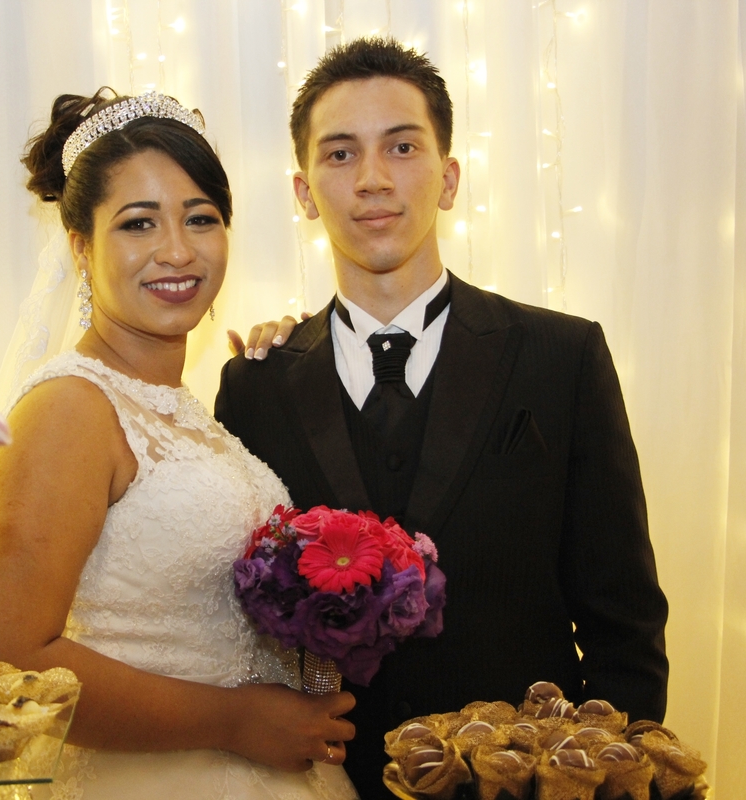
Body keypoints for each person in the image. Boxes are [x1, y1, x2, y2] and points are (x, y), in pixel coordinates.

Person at [215, 38, 670, 799]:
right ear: (303, 192)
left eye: (401, 146)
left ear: (449, 177)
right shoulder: (254, 385)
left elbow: (624, 620)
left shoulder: (563, 356)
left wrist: (600, 778)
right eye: (339, 154)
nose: (371, 180)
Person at [0, 89, 358, 800]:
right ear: (81, 247)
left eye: (201, 219)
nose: (177, 250)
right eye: (138, 224)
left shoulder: (193, 412)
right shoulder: (68, 407)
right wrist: (233, 720)